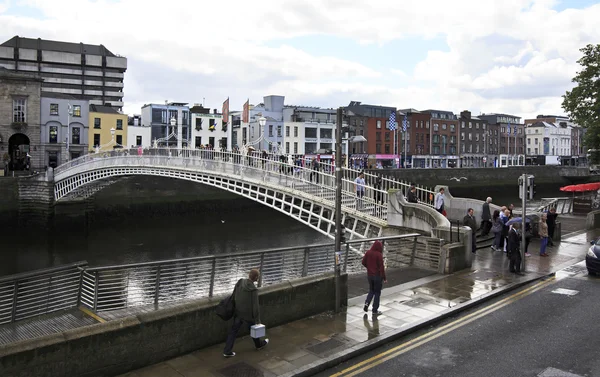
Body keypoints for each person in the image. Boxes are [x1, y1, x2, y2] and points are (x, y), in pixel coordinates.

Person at [223, 269, 269, 357]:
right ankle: (259, 345)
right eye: (258, 277)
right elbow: (255, 307)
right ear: (255, 278)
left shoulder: (240, 282)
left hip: (238, 312)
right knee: (253, 329)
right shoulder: (253, 290)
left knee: (233, 331)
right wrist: (257, 320)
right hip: (248, 315)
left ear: (249, 275)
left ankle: (227, 351)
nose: (258, 278)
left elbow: (234, 294)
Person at [362, 240, 386, 316]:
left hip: (370, 276)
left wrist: (369, 268)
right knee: (377, 293)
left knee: (371, 291)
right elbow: (381, 268)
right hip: (377, 276)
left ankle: (366, 303)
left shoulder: (368, 252)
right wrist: (384, 278)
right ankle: (374, 310)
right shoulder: (379, 255)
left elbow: (363, 262)